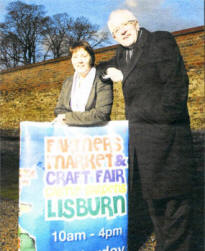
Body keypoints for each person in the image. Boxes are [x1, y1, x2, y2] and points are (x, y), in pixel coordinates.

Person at [99, 9, 195, 251]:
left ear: (136, 23)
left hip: (168, 140)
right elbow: (102, 67)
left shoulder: (161, 40)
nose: (120, 31)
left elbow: (176, 88)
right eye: (114, 31)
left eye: (124, 25)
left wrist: (150, 118)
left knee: (175, 208)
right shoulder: (122, 53)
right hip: (144, 147)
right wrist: (108, 72)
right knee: (156, 206)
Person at [53, 41, 113, 126]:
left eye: (84, 56)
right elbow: (59, 109)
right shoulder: (68, 82)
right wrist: (66, 118)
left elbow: (101, 114)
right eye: (75, 57)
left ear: (91, 58)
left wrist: (68, 117)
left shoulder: (102, 80)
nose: (79, 61)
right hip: (70, 132)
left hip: (95, 134)